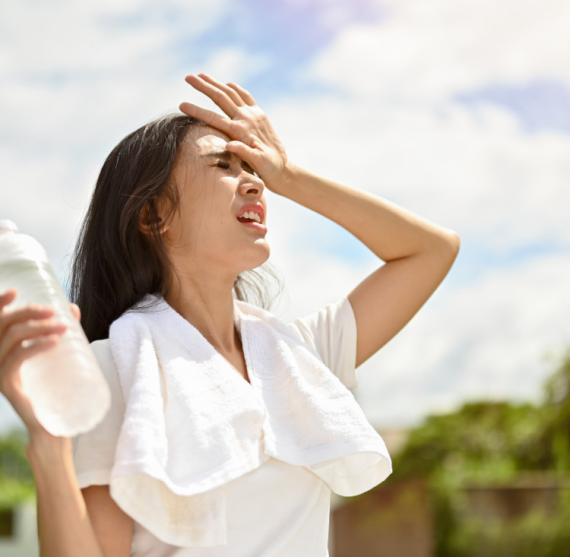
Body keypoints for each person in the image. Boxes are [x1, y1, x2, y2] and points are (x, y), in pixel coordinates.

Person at [0, 73, 460, 556]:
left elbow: (431, 250)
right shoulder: (118, 370)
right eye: (225, 164)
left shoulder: (301, 358)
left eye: (254, 167)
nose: (255, 182)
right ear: (154, 216)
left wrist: (289, 175)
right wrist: (51, 449)